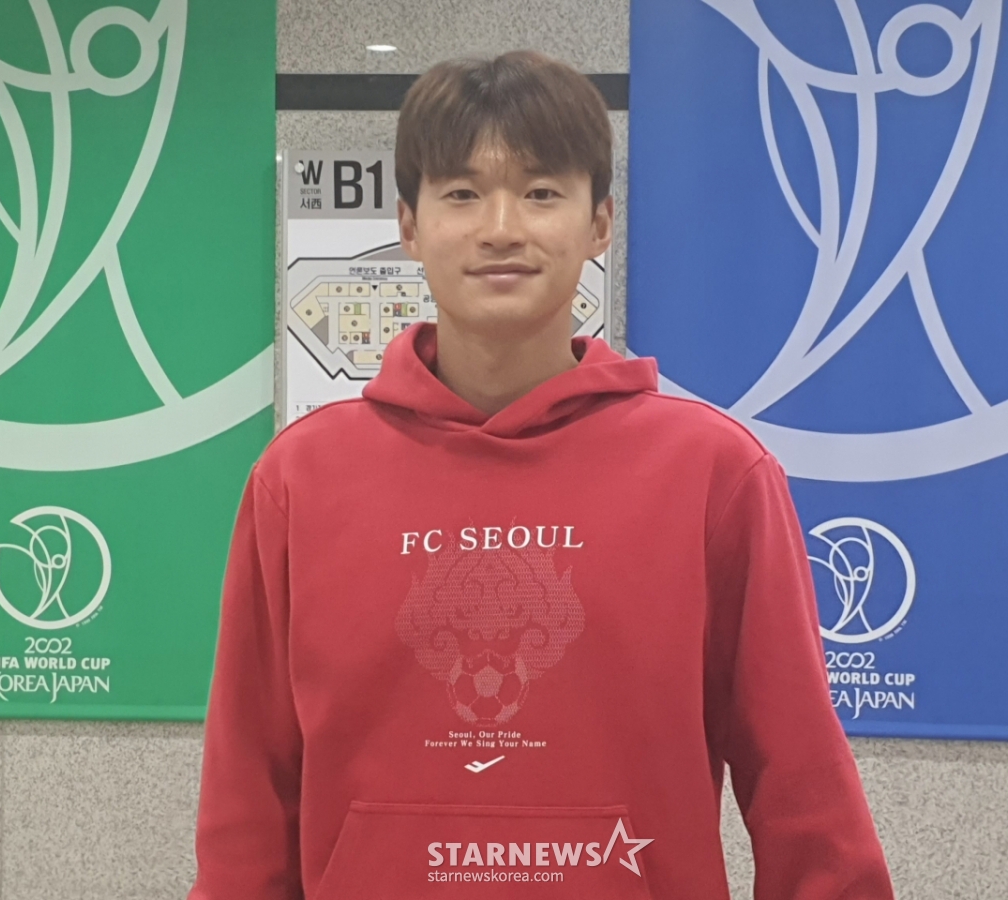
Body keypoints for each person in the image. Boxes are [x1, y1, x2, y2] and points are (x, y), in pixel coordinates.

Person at [188, 51, 893, 900]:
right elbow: (248, 792)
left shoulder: (712, 472)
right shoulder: (301, 479)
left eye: (540, 192)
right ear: (408, 225)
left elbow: (802, 789)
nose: (500, 227)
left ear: (600, 223)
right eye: (460, 193)